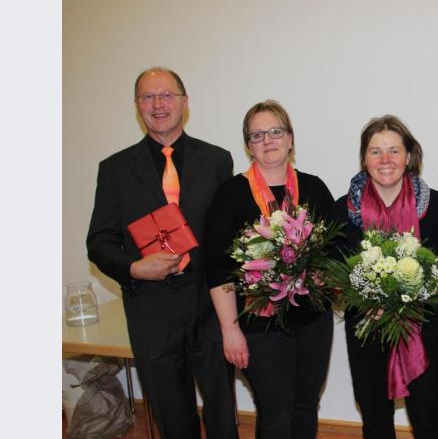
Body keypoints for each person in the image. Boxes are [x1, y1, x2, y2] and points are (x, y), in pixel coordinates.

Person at [86, 67, 238, 438]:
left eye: (167, 95)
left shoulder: (217, 160)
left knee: (222, 414)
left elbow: (229, 237)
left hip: (209, 304)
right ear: (137, 106)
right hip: (151, 309)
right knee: (172, 419)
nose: (158, 104)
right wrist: (136, 267)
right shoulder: (115, 169)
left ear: (185, 102)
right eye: (147, 97)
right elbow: (99, 242)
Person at [329, 115, 438, 439]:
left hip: (422, 327)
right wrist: (363, 298)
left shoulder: (436, 206)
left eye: (394, 150)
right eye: (376, 151)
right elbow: (330, 275)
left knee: (427, 417)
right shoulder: (343, 210)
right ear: (364, 158)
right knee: (375, 420)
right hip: (365, 330)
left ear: (409, 155)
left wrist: (415, 295)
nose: (385, 160)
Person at [205, 100, 335, 439]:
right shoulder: (230, 194)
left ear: (290, 138)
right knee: (276, 414)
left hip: (312, 321)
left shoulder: (314, 188)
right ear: (249, 146)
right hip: (259, 325)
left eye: (276, 131)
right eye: (258, 134)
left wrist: (326, 275)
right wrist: (230, 331)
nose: (268, 140)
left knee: (306, 405)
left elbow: (336, 253)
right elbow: (217, 270)